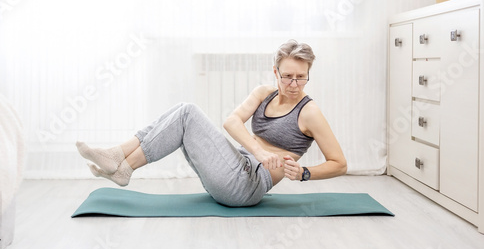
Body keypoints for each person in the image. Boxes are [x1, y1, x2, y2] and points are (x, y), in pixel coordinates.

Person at [76, 40, 347, 207]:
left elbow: (339, 163)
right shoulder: (265, 93)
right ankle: (121, 165)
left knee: (187, 113)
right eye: (287, 76)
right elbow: (231, 122)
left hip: (247, 185)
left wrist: (304, 173)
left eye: (301, 77)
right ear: (275, 72)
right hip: (235, 166)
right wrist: (260, 152)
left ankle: (119, 159)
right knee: (183, 112)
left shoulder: (309, 111)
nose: (293, 84)